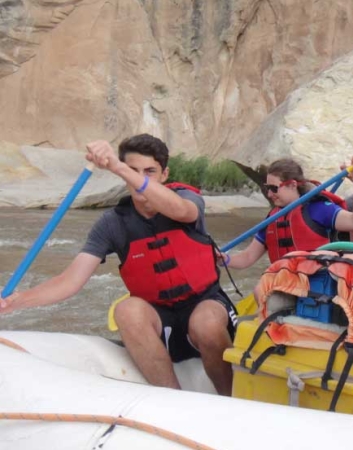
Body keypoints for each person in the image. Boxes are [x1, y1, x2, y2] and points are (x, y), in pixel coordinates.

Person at [0, 134, 238, 395]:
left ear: (164, 174)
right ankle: (173, 399)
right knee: (126, 310)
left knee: (205, 322)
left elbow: (182, 211)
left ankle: (229, 398)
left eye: (149, 171)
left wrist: (118, 166)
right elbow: (71, 281)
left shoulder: (188, 199)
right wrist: (17, 301)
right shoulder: (112, 223)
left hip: (204, 304)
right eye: (133, 171)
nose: (140, 178)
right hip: (159, 319)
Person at [220, 157, 353, 268]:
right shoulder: (272, 218)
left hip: (317, 283)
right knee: (260, 292)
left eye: (274, 188)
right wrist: (223, 259)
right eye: (267, 188)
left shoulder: (318, 208)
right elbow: (248, 257)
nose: (270, 194)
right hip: (283, 283)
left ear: (292, 185)